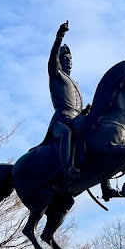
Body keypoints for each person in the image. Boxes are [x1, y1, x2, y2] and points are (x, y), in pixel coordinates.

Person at [47, 20, 84, 180]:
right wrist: (59, 36)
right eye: (65, 58)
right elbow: (52, 59)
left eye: (70, 58)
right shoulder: (56, 74)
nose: (69, 60)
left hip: (76, 118)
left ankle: (106, 184)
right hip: (61, 121)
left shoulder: (75, 83)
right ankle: (67, 168)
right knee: (66, 133)